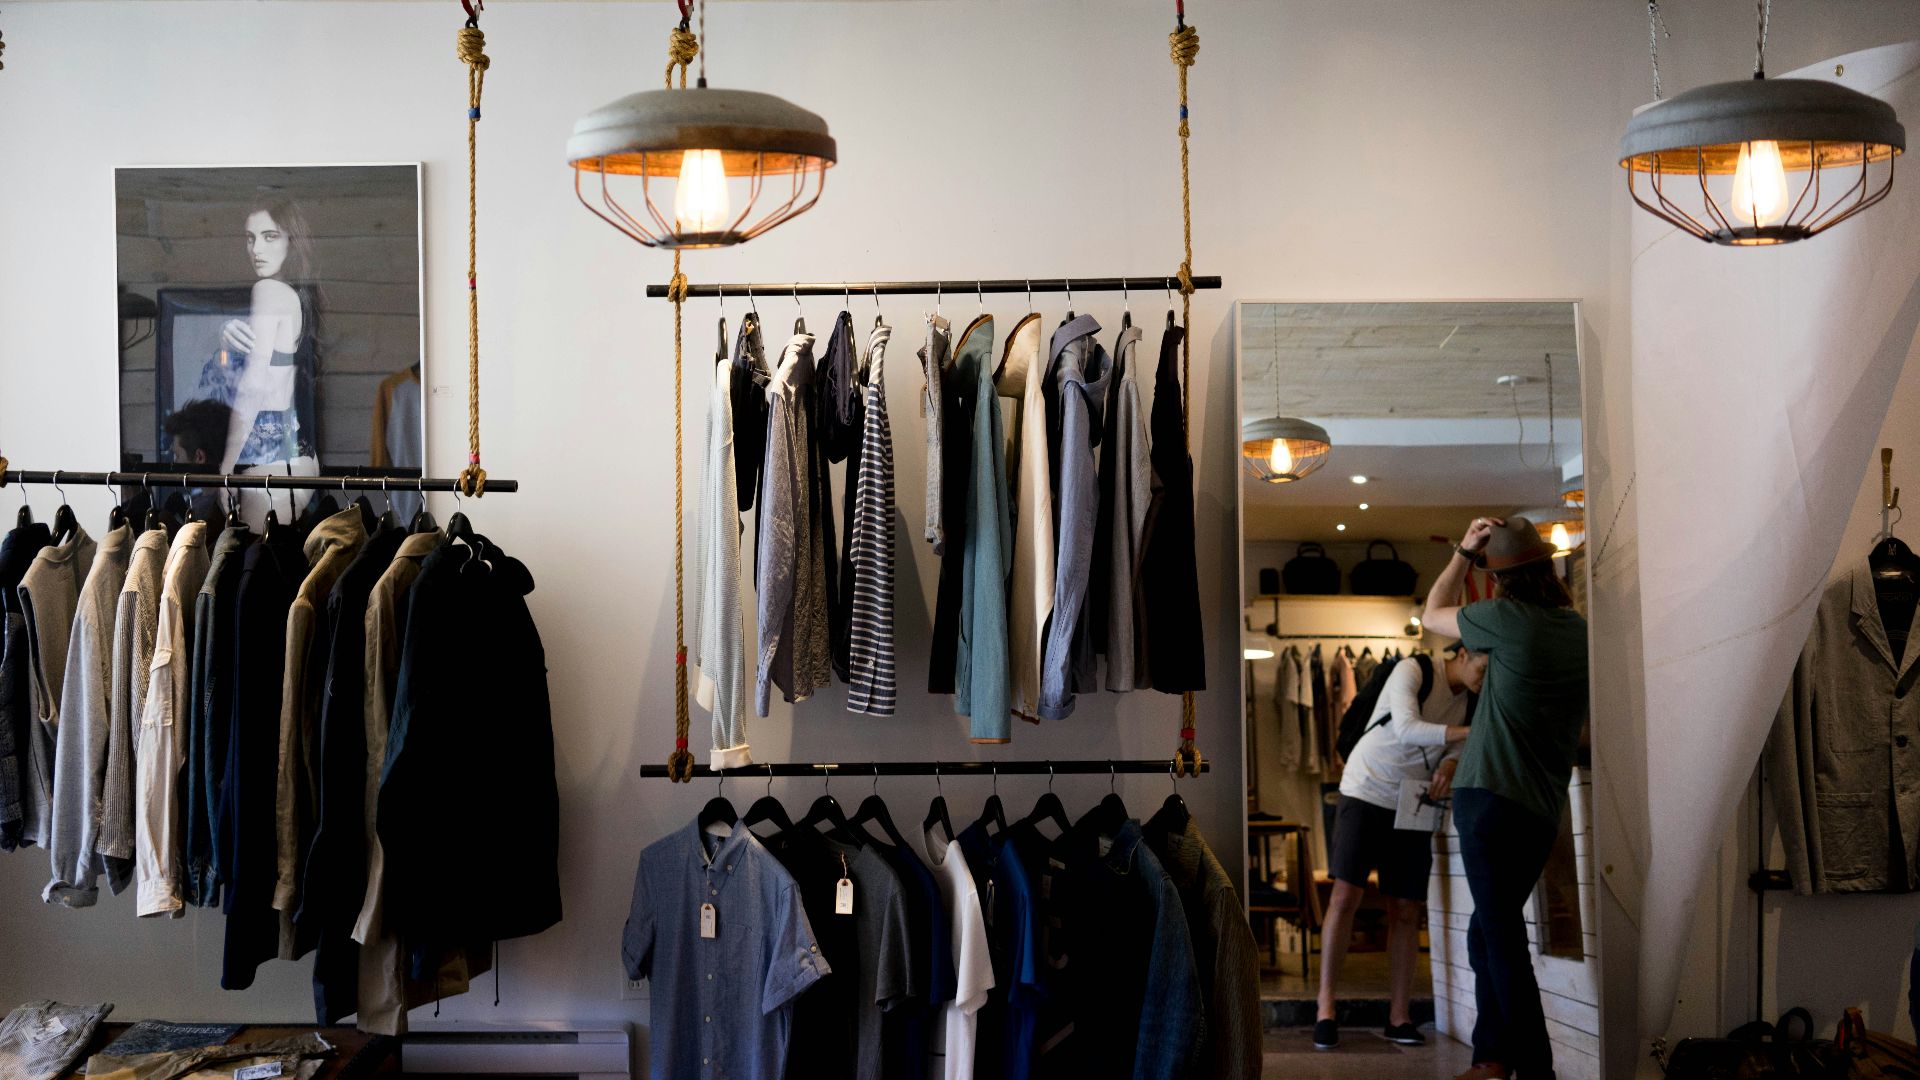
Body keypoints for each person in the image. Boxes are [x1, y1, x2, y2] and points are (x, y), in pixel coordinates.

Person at [1421, 517, 1589, 1080]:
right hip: (1540, 807)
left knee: (1502, 940)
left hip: (1488, 797)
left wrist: (1463, 551)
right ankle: (1492, 1057)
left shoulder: (1502, 619)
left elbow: (1431, 613)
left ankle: (1535, 1069)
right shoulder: (1580, 630)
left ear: (1500, 581)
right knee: (1487, 931)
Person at [1314, 642, 1487, 1052]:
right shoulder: (1414, 669)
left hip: (1415, 798)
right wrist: (1473, 733)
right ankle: (1325, 1007)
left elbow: (1457, 749)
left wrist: (1450, 761)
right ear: (1462, 653)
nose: (1485, 675)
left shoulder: (1475, 700)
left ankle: (1399, 1015)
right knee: (1345, 895)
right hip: (1367, 785)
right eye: (1483, 665)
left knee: (1407, 908)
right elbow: (1407, 727)